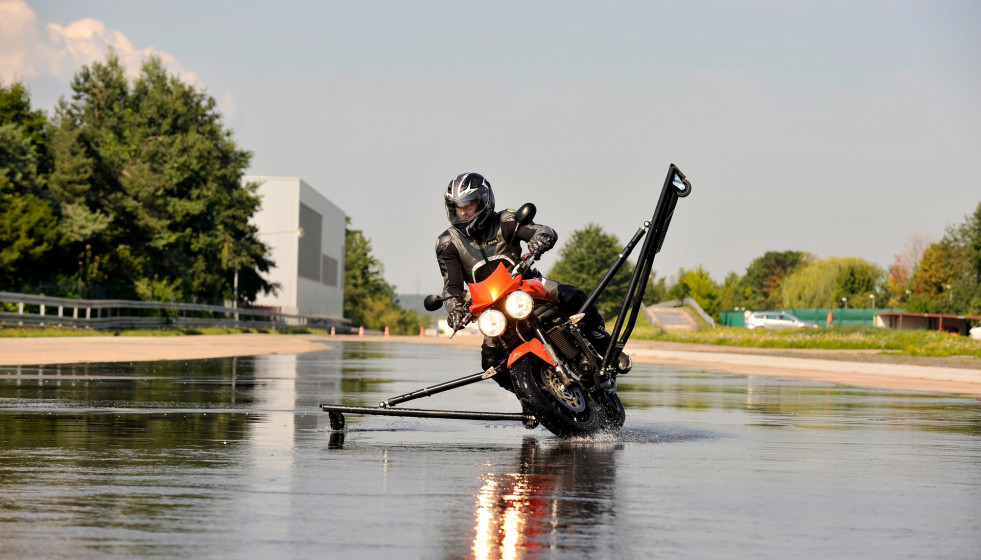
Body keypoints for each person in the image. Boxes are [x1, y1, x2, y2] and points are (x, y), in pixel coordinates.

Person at [434, 172, 630, 392]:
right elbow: (451, 286)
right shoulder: (447, 243)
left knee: (573, 296)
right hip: (491, 307)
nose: (462, 211)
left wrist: (540, 239)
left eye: (468, 204)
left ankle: (610, 351)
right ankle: (529, 399)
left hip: (526, 284)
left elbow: (541, 230)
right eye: (457, 206)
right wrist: (455, 309)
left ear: (483, 201)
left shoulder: (506, 220)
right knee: (490, 362)